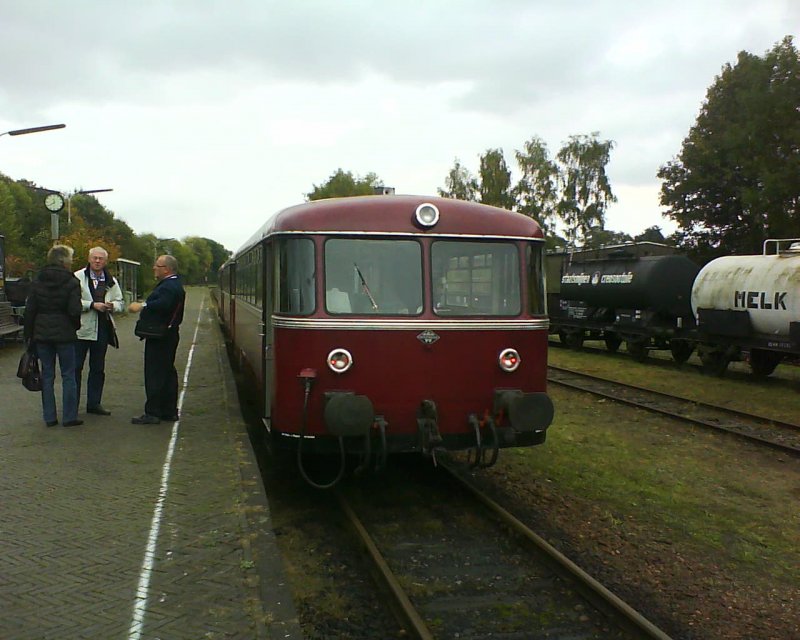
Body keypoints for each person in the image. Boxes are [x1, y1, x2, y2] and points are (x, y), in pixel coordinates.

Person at [23, 244, 83, 427]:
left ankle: (49, 417)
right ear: (65, 261)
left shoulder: (38, 280)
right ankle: (69, 417)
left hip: (42, 334)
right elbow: (74, 310)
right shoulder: (72, 282)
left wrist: (29, 335)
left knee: (47, 375)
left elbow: (30, 310)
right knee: (69, 375)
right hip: (65, 334)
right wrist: (74, 326)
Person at [128, 255, 185, 424]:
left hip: (161, 336)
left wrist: (142, 305)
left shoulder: (169, 286)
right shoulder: (174, 284)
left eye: (157, 266)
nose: (154, 268)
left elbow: (164, 304)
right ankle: (168, 410)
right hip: (168, 335)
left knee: (155, 373)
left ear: (166, 269)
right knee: (167, 372)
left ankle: (153, 412)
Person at [74, 246, 124, 416]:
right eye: (94, 258)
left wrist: (112, 306)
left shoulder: (111, 281)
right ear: (89, 259)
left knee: (97, 368)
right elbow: (71, 302)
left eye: (100, 258)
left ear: (105, 261)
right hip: (80, 329)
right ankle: (72, 405)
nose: (97, 261)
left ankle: (94, 404)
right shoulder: (77, 277)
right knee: (75, 368)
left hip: (102, 329)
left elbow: (120, 302)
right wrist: (91, 305)